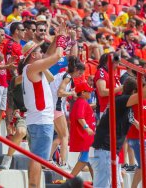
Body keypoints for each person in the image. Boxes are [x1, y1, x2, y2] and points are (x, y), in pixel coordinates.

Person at [90, 71, 146, 187]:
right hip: (104, 150)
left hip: (108, 150)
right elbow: (144, 94)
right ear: (134, 92)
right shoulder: (122, 100)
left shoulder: (122, 101)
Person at [22, 24, 67, 188]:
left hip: (37, 120)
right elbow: (55, 57)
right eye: (39, 52)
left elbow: (49, 54)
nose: (42, 53)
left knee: (36, 158)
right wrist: (61, 41)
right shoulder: (33, 67)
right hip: (41, 122)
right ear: (33, 55)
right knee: (38, 159)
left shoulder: (31, 67)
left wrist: (56, 39)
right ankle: (34, 186)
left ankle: (33, 185)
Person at [49, 56, 85, 169]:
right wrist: (71, 94)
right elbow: (60, 92)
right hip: (56, 108)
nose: (80, 76)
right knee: (65, 136)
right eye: (80, 73)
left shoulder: (64, 75)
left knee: (60, 137)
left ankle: (47, 159)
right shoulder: (67, 77)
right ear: (76, 70)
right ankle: (63, 163)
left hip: (53, 107)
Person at [69, 81, 95, 177]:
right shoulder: (82, 102)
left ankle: (96, 182)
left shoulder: (80, 102)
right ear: (83, 93)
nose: (90, 93)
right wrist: (87, 128)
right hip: (86, 137)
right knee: (84, 160)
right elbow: (80, 117)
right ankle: (69, 179)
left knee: (90, 160)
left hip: (87, 137)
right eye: (89, 91)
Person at [94, 53, 123, 119]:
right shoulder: (101, 72)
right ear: (107, 62)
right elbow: (102, 92)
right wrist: (120, 88)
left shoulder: (112, 73)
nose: (118, 66)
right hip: (106, 110)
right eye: (116, 63)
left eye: (118, 63)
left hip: (116, 109)